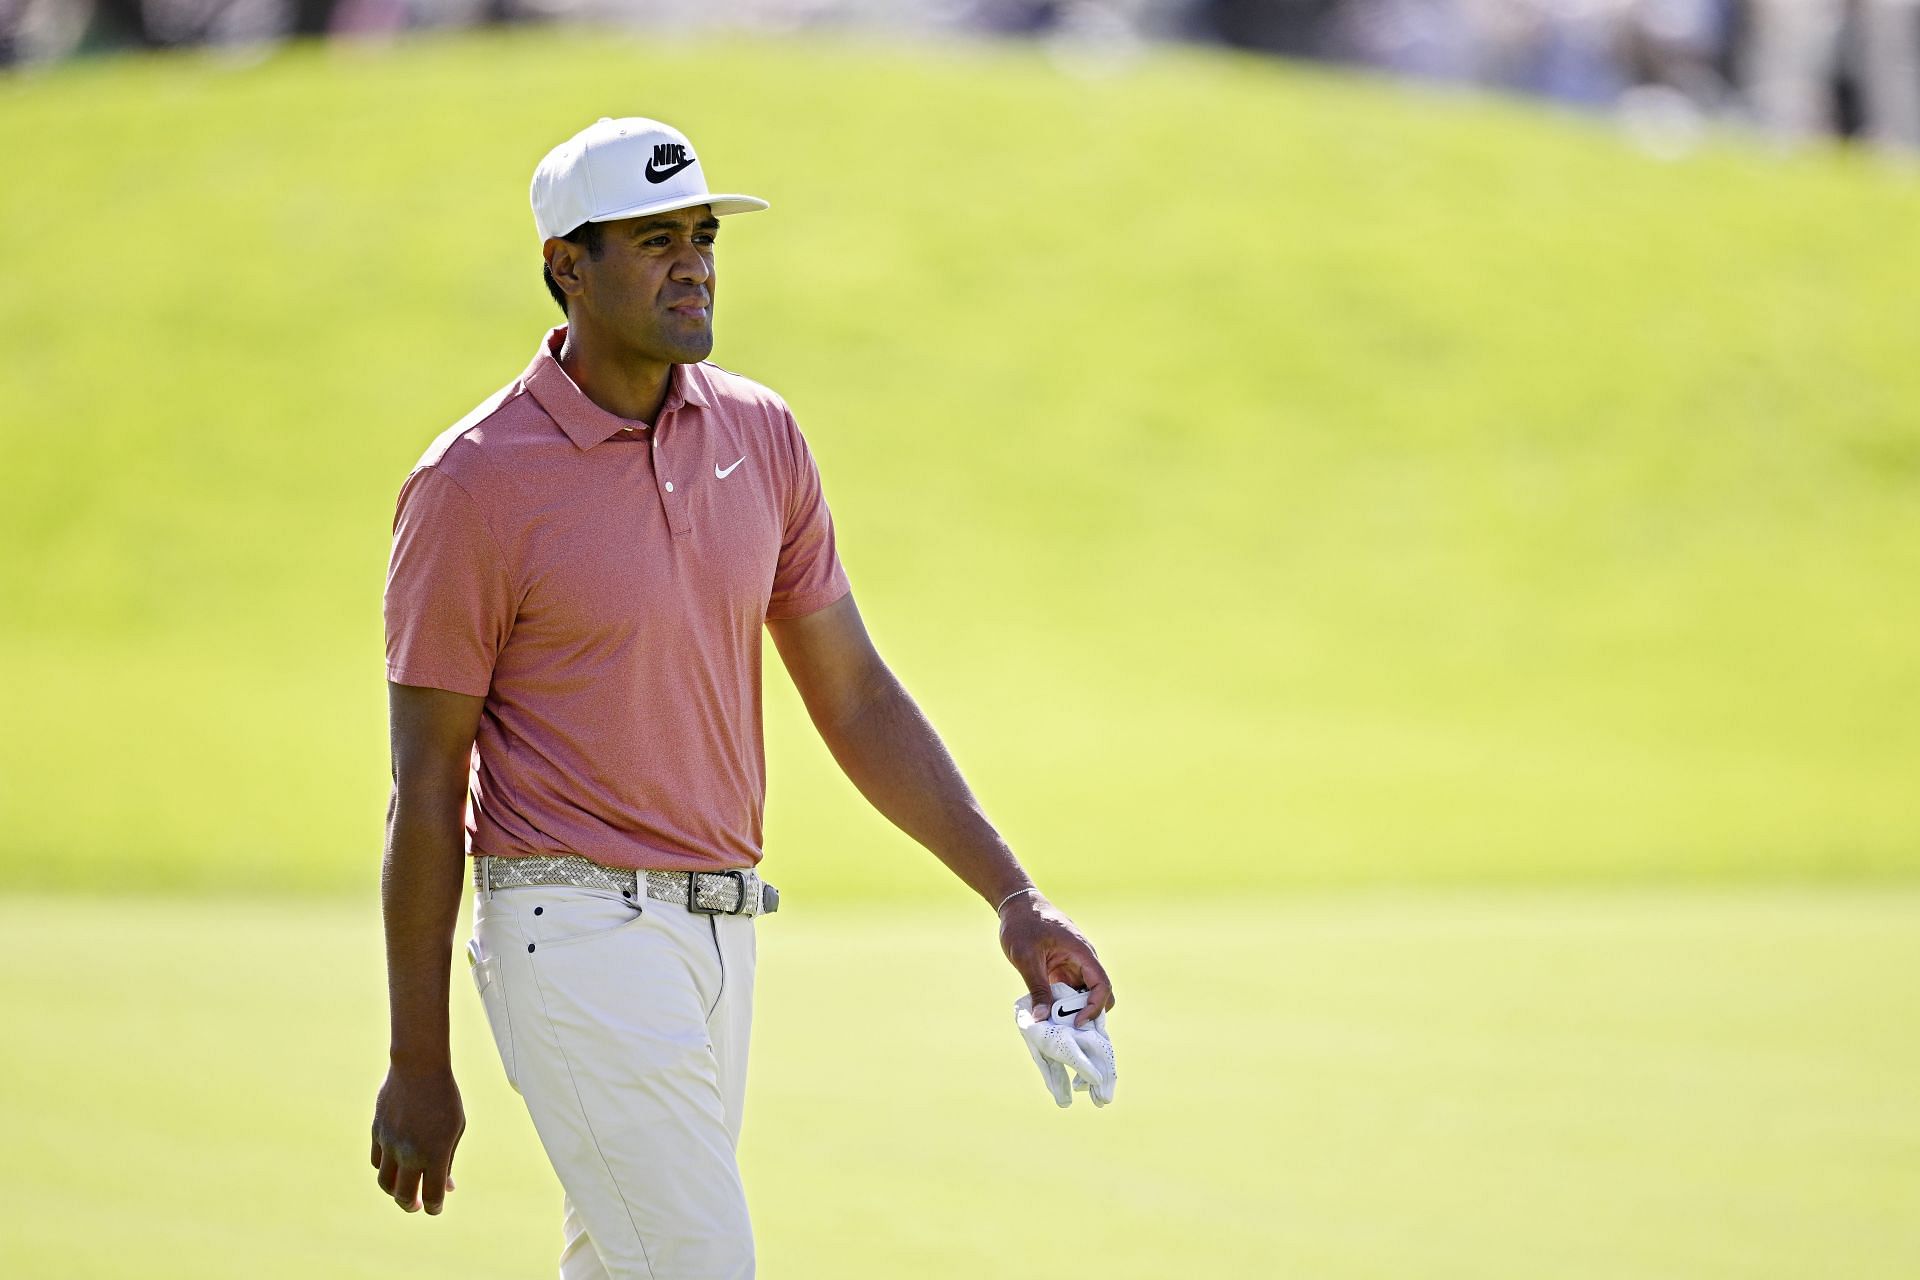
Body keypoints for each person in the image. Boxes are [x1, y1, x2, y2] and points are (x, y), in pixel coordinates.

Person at [369, 116, 1117, 1279]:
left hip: (721, 935)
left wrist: (1012, 897)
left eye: (705, 234)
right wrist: (421, 1054)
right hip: (567, 932)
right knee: (698, 1263)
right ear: (569, 263)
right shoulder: (473, 481)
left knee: (629, 1262)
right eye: (656, 237)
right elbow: (425, 790)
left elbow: (857, 695)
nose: (696, 263)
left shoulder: (761, 436)